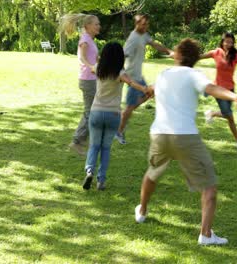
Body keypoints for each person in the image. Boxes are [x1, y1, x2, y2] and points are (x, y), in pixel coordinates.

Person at [134, 38, 237, 246]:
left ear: (178, 55)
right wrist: (236, 98)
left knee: (152, 173)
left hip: (159, 135)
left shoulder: (164, 74)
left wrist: (140, 94)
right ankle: (206, 235)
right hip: (185, 137)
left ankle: (142, 211)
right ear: (194, 59)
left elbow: (150, 89)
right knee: (209, 187)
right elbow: (212, 88)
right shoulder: (194, 75)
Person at [82, 42, 152, 191]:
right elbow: (131, 82)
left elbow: (89, 64)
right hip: (113, 114)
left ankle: (89, 171)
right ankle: (101, 181)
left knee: (94, 146)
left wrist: (84, 54)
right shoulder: (120, 73)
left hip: (96, 112)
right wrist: (145, 89)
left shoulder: (98, 69)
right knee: (106, 148)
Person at [114, 14, 173, 145]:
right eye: (143, 24)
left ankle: (121, 122)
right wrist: (122, 72)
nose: (146, 26)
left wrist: (169, 52)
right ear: (137, 24)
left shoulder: (144, 35)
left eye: (147, 24)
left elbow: (155, 45)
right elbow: (122, 55)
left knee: (149, 93)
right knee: (130, 107)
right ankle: (119, 130)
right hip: (132, 77)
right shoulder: (133, 38)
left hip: (138, 76)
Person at [61, 14, 101, 156]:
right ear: (88, 26)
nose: (98, 26)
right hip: (87, 80)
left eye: (98, 24)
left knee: (93, 111)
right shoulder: (85, 39)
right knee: (90, 112)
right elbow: (81, 57)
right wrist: (90, 65)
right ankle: (77, 141)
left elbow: (93, 57)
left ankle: (82, 140)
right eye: (96, 24)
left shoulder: (90, 39)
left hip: (92, 79)